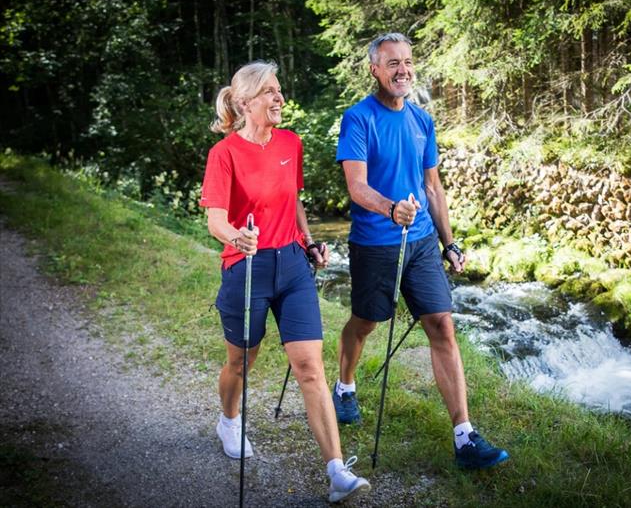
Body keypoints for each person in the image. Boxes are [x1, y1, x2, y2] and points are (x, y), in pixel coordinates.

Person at [333, 33, 509, 470]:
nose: (403, 70)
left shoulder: (422, 120)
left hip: (422, 241)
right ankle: (345, 386)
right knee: (366, 322)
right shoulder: (358, 118)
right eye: (393, 63)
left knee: (441, 326)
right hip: (376, 242)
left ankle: (465, 437)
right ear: (375, 70)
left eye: (408, 62)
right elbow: (356, 187)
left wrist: (450, 242)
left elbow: (433, 187)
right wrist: (391, 208)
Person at [200, 60, 370, 502]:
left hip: (293, 267)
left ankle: (337, 471)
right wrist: (237, 236)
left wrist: (309, 242)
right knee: (241, 362)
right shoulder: (224, 154)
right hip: (247, 267)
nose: (279, 98)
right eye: (269, 92)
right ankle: (229, 421)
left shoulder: (291, 143)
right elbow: (215, 218)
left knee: (310, 367)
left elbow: (292, 200)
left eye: (279, 90)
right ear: (244, 103)